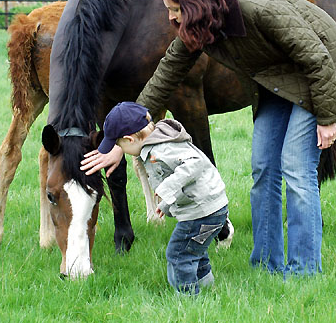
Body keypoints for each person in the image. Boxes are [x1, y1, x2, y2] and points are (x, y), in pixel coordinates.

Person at [105, 0, 336, 276]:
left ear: (194, 3)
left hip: (327, 79)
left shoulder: (257, 6)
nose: (171, 18)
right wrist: (124, 135)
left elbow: (317, 58)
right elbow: (167, 73)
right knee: (263, 168)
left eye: (175, 9)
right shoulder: (203, 24)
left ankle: (303, 271)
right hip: (280, 84)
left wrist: (327, 117)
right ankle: (266, 265)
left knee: (296, 168)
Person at [81, 101, 228, 295]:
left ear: (130, 139)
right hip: (213, 208)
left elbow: (195, 163)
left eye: (119, 145)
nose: (120, 150)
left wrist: (166, 190)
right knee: (195, 251)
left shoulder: (162, 149)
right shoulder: (159, 142)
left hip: (201, 213)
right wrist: (165, 204)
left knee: (178, 254)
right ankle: (208, 289)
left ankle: (188, 299)